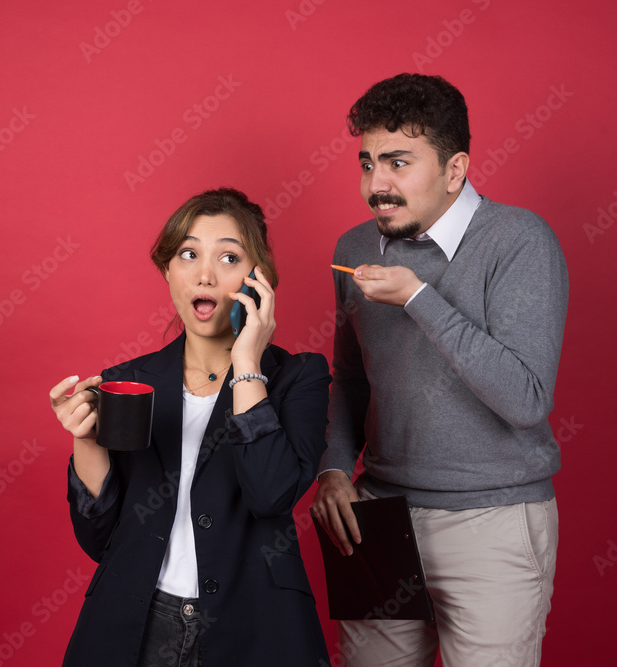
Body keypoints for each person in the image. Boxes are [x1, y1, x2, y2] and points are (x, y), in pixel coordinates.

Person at [311, 73, 569, 666]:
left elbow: (525, 399)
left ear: (455, 170)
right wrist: (331, 470)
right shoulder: (354, 250)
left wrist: (420, 299)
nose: (378, 185)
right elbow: (350, 379)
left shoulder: (519, 241)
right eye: (368, 162)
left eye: (399, 162)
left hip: (495, 521)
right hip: (375, 518)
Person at [49, 187, 332, 666]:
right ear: (167, 270)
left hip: (255, 624)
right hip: (136, 624)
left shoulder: (298, 377)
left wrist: (248, 361)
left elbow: (269, 494)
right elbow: (101, 543)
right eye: (188, 254)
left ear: (257, 279)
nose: (205, 273)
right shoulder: (127, 383)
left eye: (228, 256)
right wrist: (86, 441)